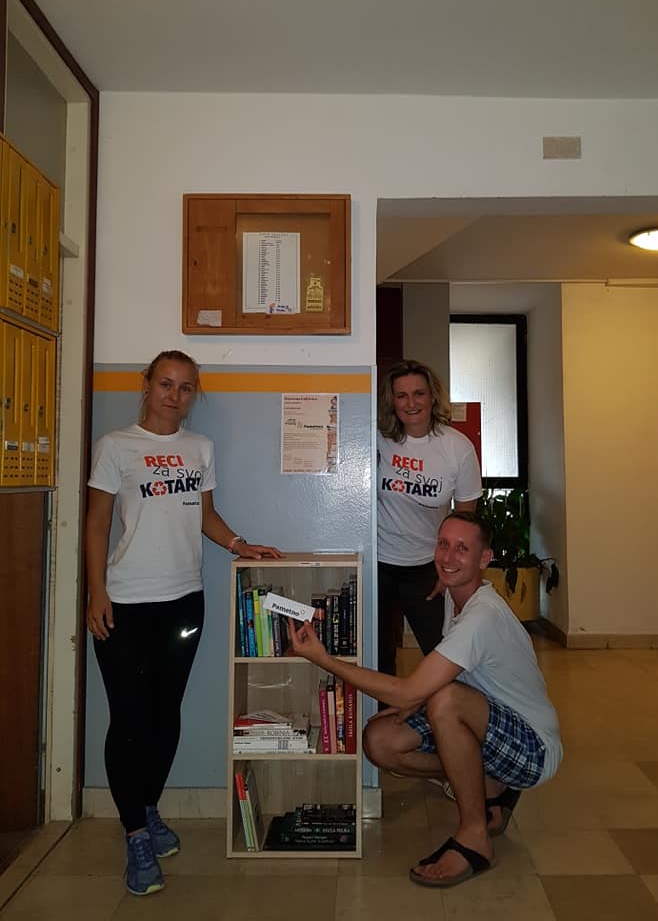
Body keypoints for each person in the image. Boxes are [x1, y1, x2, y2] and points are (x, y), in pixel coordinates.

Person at [85, 349, 282, 896]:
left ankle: (147, 808)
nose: (175, 395)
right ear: (147, 385)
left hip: (183, 603)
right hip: (124, 603)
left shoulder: (200, 447)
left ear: (195, 393)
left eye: (186, 387)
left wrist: (240, 545)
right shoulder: (115, 446)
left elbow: (205, 515)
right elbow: (97, 523)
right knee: (128, 720)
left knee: (164, 715)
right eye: (166, 384)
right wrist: (96, 592)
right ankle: (134, 835)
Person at [289, 511, 562, 888]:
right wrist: (411, 701)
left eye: (462, 549)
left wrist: (325, 660)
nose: (448, 556)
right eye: (443, 544)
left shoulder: (483, 616)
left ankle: (475, 837)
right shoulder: (454, 597)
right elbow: (445, 677)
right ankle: (487, 784)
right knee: (380, 741)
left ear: (484, 559)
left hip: (533, 749)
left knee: (445, 700)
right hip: (485, 723)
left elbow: (412, 690)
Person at [377, 360, 482, 675]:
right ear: (392, 401)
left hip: (426, 567)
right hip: (378, 564)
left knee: (443, 656)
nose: (411, 403)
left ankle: (449, 706)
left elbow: (465, 521)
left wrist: (447, 571)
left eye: (419, 393)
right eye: (402, 395)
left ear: (433, 396)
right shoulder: (378, 439)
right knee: (378, 657)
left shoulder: (457, 447)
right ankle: (385, 708)